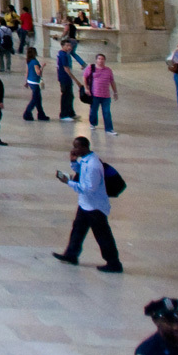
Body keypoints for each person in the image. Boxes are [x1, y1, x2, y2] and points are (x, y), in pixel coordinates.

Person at [51, 135, 121, 272]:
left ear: (84, 147)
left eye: (76, 146)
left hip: (95, 207)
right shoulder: (86, 160)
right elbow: (82, 172)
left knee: (103, 235)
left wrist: (68, 182)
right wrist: (73, 162)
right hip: (85, 204)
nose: (74, 149)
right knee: (77, 230)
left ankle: (114, 263)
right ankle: (71, 255)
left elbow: (89, 188)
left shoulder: (94, 165)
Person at [84, 53, 117, 136]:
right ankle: (93, 123)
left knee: (106, 112)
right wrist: (86, 88)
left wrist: (115, 92)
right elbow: (85, 77)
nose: (101, 60)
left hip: (106, 95)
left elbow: (112, 81)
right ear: (96, 60)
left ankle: (109, 128)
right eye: (99, 59)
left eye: (102, 59)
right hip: (95, 94)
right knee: (93, 110)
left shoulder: (108, 70)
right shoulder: (91, 68)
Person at [20, 47, 45, 121]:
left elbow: (27, 71)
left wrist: (26, 81)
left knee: (38, 99)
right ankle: (27, 113)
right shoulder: (35, 62)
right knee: (35, 99)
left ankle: (41, 114)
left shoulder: (29, 61)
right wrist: (42, 67)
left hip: (30, 81)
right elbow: (38, 73)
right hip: (35, 82)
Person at [56, 39, 79, 120]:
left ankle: (70, 112)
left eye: (70, 45)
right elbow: (66, 69)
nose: (69, 47)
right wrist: (76, 80)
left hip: (65, 78)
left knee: (70, 96)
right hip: (64, 78)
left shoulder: (63, 53)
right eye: (67, 46)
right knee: (66, 96)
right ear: (63, 46)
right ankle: (64, 114)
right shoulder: (63, 55)